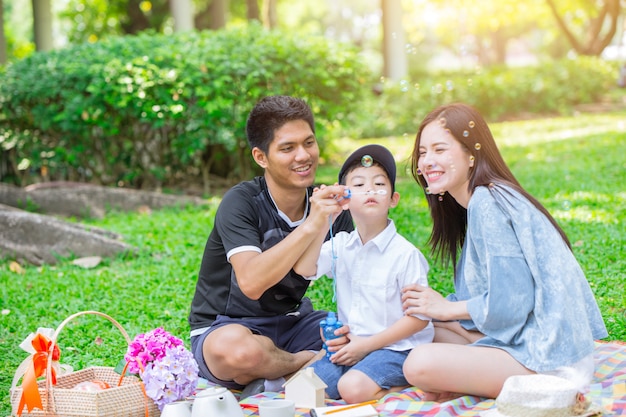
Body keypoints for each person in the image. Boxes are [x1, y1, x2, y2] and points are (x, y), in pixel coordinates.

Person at [401, 102, 608, 401]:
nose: (427, 162)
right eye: (422, 152)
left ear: (472, 154)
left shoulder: (488, 203)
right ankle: (463, 378)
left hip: (550, 359)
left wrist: (446, 308)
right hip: (526, 339)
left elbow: (511, 303)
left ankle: (462, 380)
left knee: (419, 363)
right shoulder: (479, 202)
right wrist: (436, 311)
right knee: (423, 327)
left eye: (440, 149)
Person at [188, 95, 354, 397]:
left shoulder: (330, 206)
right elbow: (251, 283)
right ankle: (304, 366)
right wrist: (311, 224)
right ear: (261, 157)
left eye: (309, 143)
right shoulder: (241, 202)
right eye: (287, 148)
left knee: (364, 331)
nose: (303, 156)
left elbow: (361, 276)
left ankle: (273, 379)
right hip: (226, 329)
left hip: (293, 325)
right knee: (241, 353)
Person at [294, 144, 434, 403]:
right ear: (345, 201)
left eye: (379, 184)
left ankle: (409, 389)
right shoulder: (341, 244)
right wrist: (324, 221)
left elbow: (419, 318)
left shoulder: (405, 254)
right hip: (352, 347)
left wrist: (366, 346)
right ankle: (363, 378)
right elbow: (305, 269)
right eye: (358, 185)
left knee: (352, 389)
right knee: (301, 390)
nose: (370, 189)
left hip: (396, 349)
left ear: (393, 199)